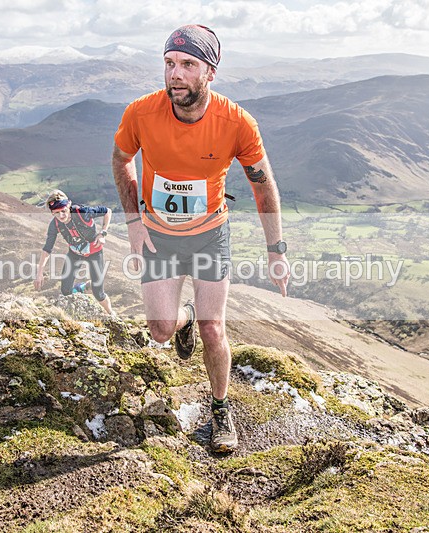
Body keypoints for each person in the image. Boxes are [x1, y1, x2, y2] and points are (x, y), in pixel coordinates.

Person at [112, 24, 290, 452]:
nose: (176, 74)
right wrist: (134, 222)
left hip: (211, 234)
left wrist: (276, 250)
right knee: (158, 332)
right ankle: (182, 318)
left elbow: (263, 185)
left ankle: (220, 409)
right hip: (159, 237)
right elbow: (121, 159)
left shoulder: (236, 122)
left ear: (210, 71)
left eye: (188, 65)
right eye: (170, 63)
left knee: (214, 329)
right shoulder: (141, 112)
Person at [33, 189, 115, 316]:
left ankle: (111, 313)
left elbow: (107, 211)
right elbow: (47, 249)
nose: (61, 216)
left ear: (69, 205)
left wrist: (103, 233)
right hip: (75, 254)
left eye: (64, 211)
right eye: (56, 213)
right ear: (52, 213)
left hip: (94, 253)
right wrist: (39, 274)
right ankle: (82, 289)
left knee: (98, 293)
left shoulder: (82, 212)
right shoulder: (55, 224)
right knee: (65, 291)